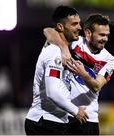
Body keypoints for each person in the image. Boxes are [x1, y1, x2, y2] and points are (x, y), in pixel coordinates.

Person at [44, 13, 114, 135]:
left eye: (107, 35)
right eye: (101, 35)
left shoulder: (109, 59)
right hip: (64, 114)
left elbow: (96, 86)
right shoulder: (75, 42)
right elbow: (48, 31)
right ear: (88, 33)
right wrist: (64, 47)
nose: (105, 39)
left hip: (87, 118)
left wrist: (83, 74)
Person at [24, 5, 88, 135]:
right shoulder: (54, 53)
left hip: (54, 121)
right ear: (60, 27)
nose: (79, 28)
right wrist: (75, 111)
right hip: (45, 122)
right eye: (74, 24)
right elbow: (52, 92)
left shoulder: (65, 47)